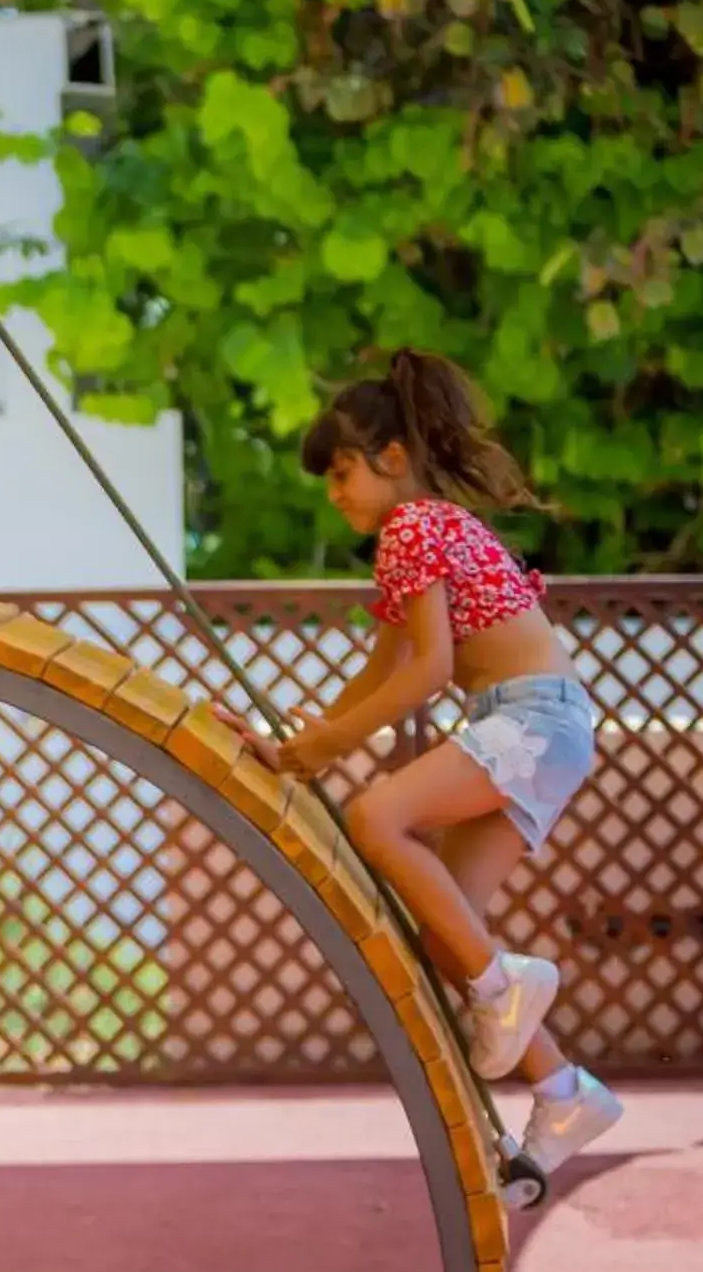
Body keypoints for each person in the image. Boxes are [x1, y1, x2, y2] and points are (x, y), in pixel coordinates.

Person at [228, 349, 622, 1189]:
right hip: (543, 724)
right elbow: (386, 662)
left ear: (392, 460)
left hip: (530, 719)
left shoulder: (412, 525)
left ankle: (506, 981)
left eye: (342, 473)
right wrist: (311, 736)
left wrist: (330, 748)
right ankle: (564, 1090)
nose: (335, 493)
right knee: (451, 934)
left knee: (377, 818)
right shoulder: (423, 529)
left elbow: (429, 669)